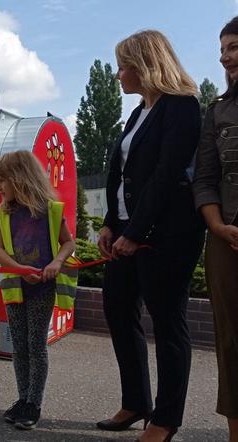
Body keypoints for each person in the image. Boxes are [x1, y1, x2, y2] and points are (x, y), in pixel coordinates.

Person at [96, 30, 205, 442]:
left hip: (167, 235)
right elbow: (120, 175)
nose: (118, 74)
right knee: (118, 310)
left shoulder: (182, 107)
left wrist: (136, 231)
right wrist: (110, 224)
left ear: (146, 64)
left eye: (123, 65)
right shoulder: (140, 110)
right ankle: (136, 402)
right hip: (126, 228)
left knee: (167, 321)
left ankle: (165, 419)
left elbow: (165, 175)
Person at [0, 151, 76, 431]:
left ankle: (33, 404)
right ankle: (22, 398)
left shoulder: (51, 209)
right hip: (15, 286)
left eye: (2, 180)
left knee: (35, 345)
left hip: (42, 288)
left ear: (20, 178)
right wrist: (19, 268)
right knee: (19, 345)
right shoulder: (3, 211)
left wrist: (56, 262)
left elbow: (68, 243)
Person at [192, 16, 238, 442]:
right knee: (232, 344)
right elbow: (204, 177)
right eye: (223, 48)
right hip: (227, 242)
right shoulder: (218, 110)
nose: (225, 56)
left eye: (234, 47)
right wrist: (218, 226)